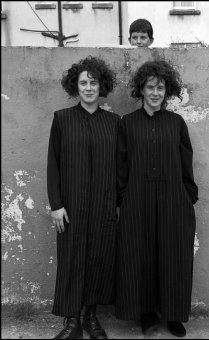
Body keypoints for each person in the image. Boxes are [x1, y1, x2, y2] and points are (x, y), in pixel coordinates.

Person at [116, 60, 198, 338]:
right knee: (142, 256)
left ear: (167, 90)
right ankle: (147, 314)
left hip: (173, 199)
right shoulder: (128, 123)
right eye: (150, 87)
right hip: (137, 200)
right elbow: (121, 165)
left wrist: (188, 196)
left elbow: (186, 161)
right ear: (141, 89)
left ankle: (173, 315)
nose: (155, 92)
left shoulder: (176, 123)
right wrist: (123, 199)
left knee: (174, 256)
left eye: (160, 87)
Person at [47, 56, 120, 339]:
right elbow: (53, 164)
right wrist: (56, 205)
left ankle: (91, 318)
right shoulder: (62, 119)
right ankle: (71, 322)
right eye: (83, 83)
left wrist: (117, 203)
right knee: (71, 261)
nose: (89, 88)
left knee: (98, 260)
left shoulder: (114, 123)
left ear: (102, 87)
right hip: (71, 207)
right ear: (75, 87)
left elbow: (121, 167)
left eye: (94, 82)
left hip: (103, 206)